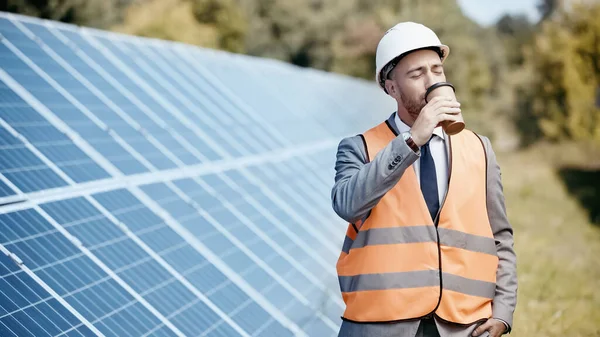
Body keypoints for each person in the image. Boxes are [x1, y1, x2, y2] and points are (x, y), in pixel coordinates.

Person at [331, 22, 518, 337]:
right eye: (417, 75)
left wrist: (502, 313)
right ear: (391, 87)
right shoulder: (359, 147)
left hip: (463, 327)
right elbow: (347, 204)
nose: (432, 82)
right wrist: (411, 141)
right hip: (380, 326)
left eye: (438, 71)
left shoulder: (479, 148)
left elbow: (501, 237)